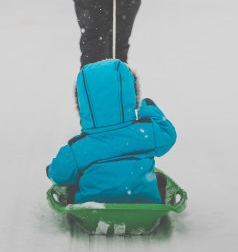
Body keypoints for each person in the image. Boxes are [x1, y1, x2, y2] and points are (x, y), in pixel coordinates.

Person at [46, 59, 176, 204]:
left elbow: (59, 175)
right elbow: (168, 134)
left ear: (84, 103)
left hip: (92, 205)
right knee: (159, 180)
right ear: (130, 95)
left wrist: (50, 170)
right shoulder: (143, 132)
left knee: (74, 181)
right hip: (143, 202)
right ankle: (148, 203)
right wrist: (149, 109)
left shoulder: (79, 148)